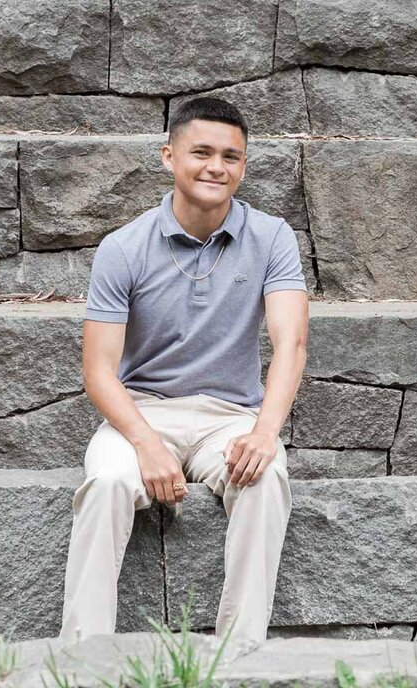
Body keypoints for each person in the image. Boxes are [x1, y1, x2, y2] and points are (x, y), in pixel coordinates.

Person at [60, 97, 309, 648]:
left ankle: (240, 656)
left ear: (243, 166)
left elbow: (290, 342)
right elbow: (99, 371)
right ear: (169, 156)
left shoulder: (271, 237)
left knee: (266, 479)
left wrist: (265, 431)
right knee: (105, 482)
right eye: (201, 152)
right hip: (143, 413)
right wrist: (146, 444)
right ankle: (82, 656)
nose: (216, 167)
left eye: (231, 156)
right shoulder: (122, 248)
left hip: (230, 417)